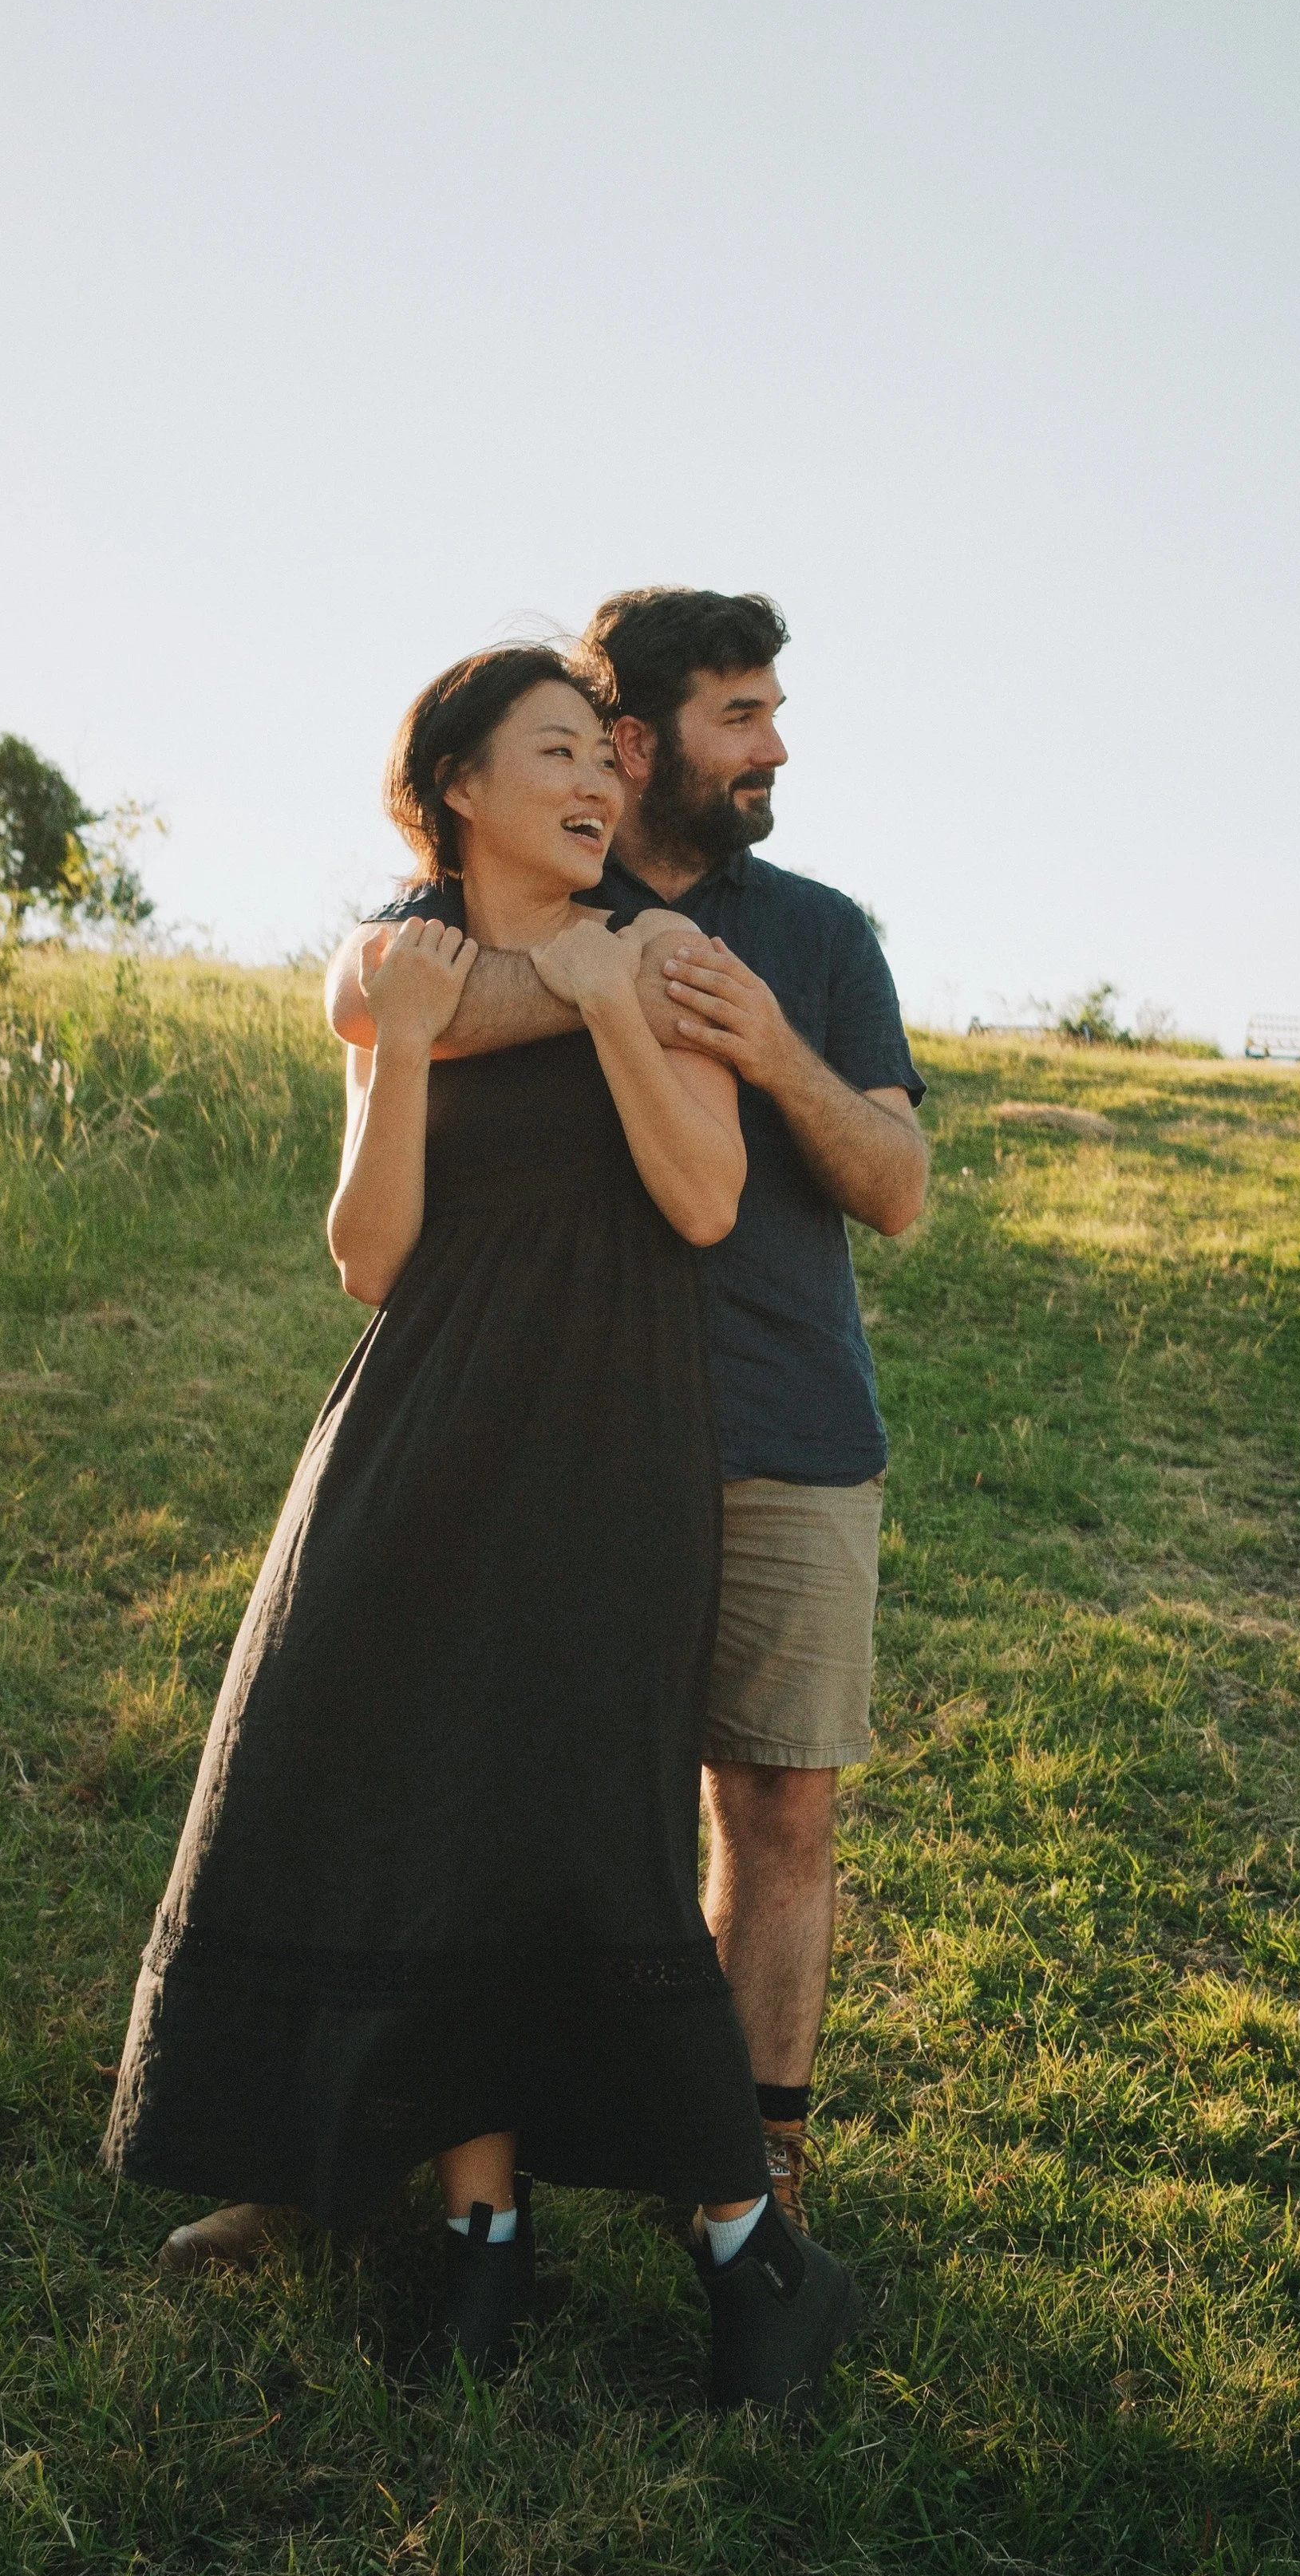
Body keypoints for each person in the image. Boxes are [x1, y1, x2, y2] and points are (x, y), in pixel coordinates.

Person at [105, 641, 863, 2409]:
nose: (600, 782)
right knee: (425, 1810)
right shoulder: (400, 968)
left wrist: (605, 998)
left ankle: (757, 2252)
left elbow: (706, 1197)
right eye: (556, 755)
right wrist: (410, 1040)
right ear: (455, 785)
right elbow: (369, 1254)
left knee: (583, 1831)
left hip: (614, 1439)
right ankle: (481, 2232)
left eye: (605, 755)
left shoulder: (663, 949)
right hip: (421, 1428)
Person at [326, 591, 929, 2231]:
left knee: (778, 1805)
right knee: (500, 1804)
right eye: (742, 714)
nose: (776, 745)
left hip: (779, 1427)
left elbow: (897, 1188)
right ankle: (380, 2155)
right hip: (547, 1426)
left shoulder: (816, 935)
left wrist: (774, 1051)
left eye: (774, 709)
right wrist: (605, 976)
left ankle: (748, 2175)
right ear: (640, 739)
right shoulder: (477, 910)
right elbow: (373, 1004)